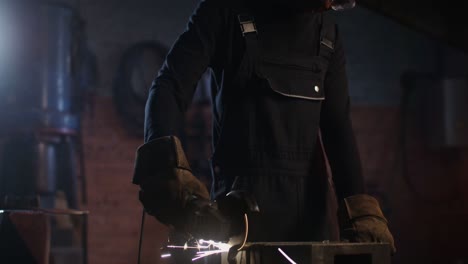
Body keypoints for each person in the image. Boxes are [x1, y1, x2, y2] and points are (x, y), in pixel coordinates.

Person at [133, 0, 395, 260]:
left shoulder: (326, 31)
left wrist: (361, 211)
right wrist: (169, 174)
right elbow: (168, 86)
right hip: (238, 222)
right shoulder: (225, 11)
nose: (327, 5)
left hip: (312, 223)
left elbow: (338, 128)